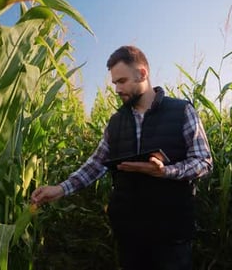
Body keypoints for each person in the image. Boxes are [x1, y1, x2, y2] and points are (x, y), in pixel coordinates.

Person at [31, 45, 212, 270]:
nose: (117, 88)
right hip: (129, 235)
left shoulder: (182, 111)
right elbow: (96, 163)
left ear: (142, 74)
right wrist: (60, 189)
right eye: (115, 82)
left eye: (122, 81)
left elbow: (203, 161)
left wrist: (165, 171)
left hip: (171, 234)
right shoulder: (116, 121)